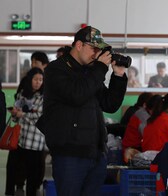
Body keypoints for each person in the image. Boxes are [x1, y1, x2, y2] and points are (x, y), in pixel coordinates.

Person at [39, 26, 128, 196]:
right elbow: (77, 95)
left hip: (95, 152)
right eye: (94, 49)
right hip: (69, 154)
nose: (97, 54)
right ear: (79, 45)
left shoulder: (90, 72)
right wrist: (100, 68)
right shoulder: (56, 70)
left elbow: (109, 104)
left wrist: (118, 76)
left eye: (99, 50)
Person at [5, 67, 45, 196]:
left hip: (34, 142)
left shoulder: (43, 98)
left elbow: (39, 117)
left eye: (40, 80)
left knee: (32, 174)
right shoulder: (22, 93)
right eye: (35, 79)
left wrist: (22, 114)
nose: (38, 82)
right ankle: (9, 192)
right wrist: (15, 113)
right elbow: (16, 118)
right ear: (30, 80)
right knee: (11, 168)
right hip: (19, 139)